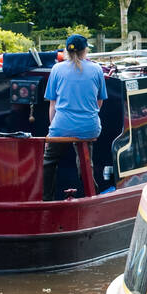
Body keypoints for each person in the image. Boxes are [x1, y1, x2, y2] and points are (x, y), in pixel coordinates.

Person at [43, 33, 107, 200]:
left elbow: (52, 105)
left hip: (62, 125)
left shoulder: (57, 69)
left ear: (66, 51)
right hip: (90, 127)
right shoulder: (97, 69)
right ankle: (92, 195)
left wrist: (53, 132)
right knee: (85, 162)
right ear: (85, 50)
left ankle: (46, 199)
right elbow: (99, 103)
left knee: (49, 161)